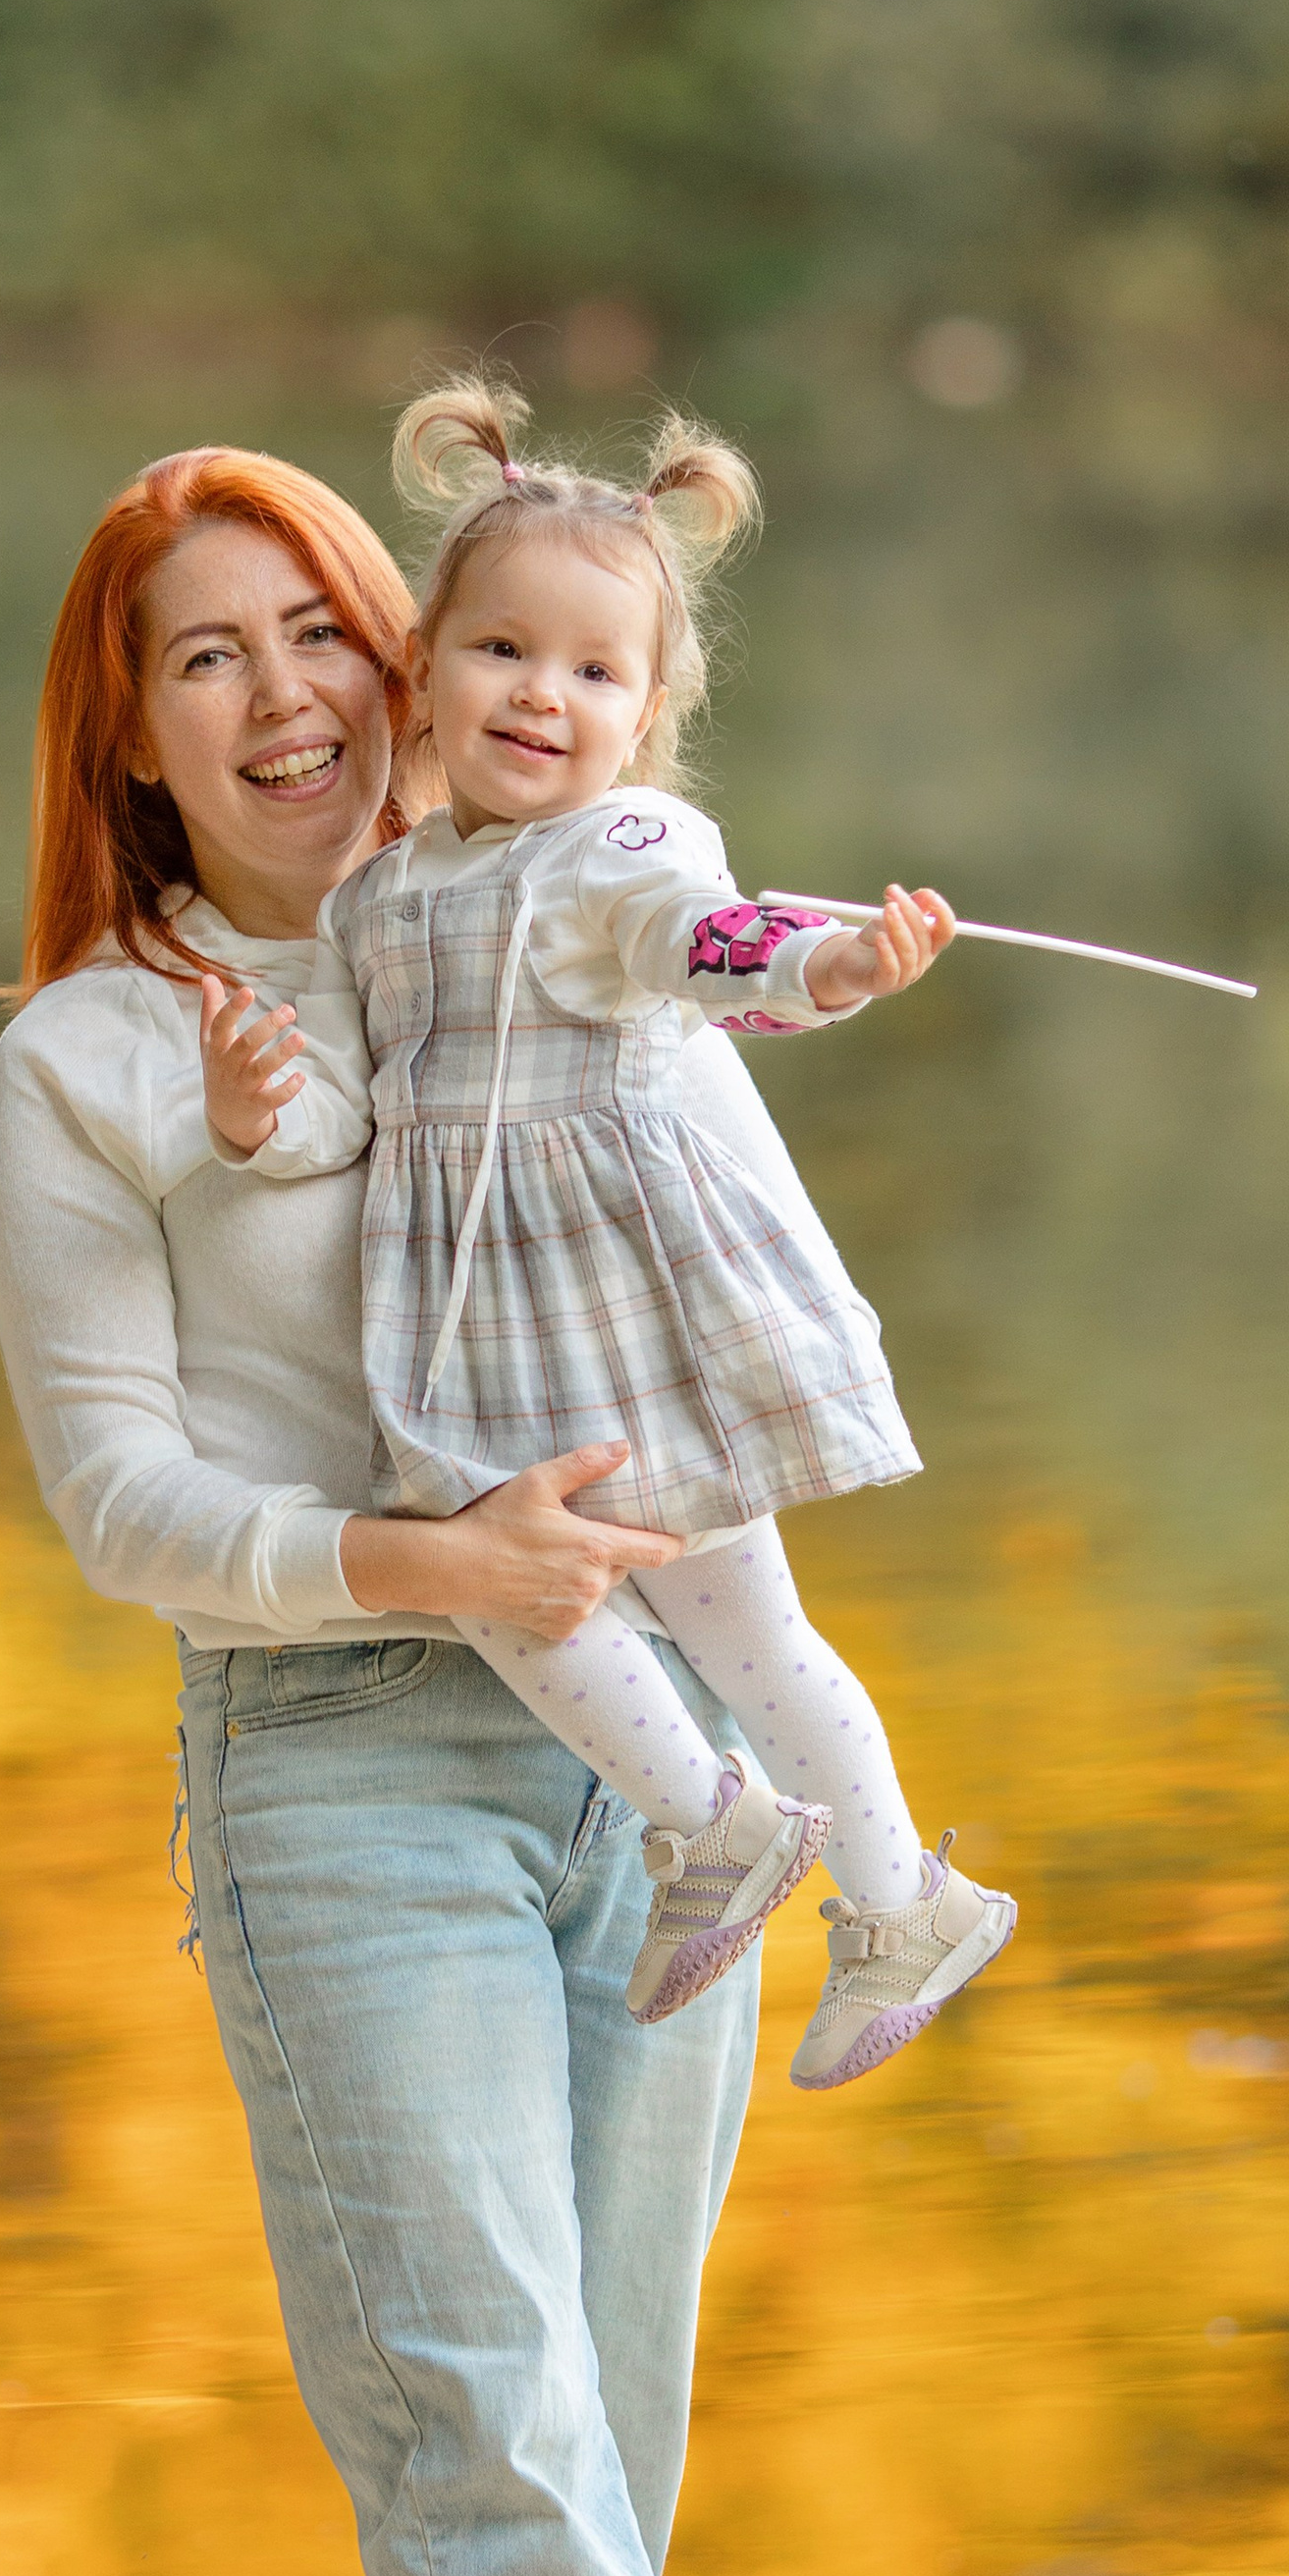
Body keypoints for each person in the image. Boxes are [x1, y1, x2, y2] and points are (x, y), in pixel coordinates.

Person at [0, 442, 884, 2576]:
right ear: (130, 734)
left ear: (402, 661)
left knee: (595, 2460)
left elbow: (716, 1255)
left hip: (659, 1768)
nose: (279, 695)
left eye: (314, 633)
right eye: (203, 657)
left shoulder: (547, 921)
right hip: (348, 1771)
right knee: (494, 2455)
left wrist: (778, 961)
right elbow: (120, 1503)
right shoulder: (85, 1059)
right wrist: (431, 1565)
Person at [194, 378, 1016, 2091]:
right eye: (502, 651)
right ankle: (772, 1841)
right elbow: (368, 1105)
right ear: (423, 669)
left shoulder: (620, 850)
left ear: (645, 714)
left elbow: (702, 939)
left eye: (592, 673)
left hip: (626, 1305)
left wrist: (825, 963)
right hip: (480, 1322)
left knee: (736, 1626)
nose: (541, 695)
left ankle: (862, 1885)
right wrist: (262, 1118)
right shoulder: (384, 896)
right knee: (509, 1575)